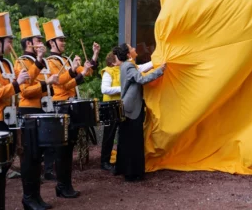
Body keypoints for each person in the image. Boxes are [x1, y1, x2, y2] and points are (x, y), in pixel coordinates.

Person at [0, 12, 42, 210]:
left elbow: (26, 80)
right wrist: (15, 84)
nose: (11, 45)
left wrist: (38, 63)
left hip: (8, 121)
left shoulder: (6, 63)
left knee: (3, 169)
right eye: (8, 41)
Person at [43, 19, 99, 198]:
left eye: (64, 40)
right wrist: (76, 73)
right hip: (60, 106)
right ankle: (62, 185)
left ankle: (65, 185)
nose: (64, 43)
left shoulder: (64, 60)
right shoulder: (50, 62)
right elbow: (60, 85)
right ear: (51, 42)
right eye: (60, 40)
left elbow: (87, 70)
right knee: (63, 149)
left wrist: (95, 55)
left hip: (70, 106)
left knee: (69, 148)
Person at [15, 16, 59, 209]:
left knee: (38, 157)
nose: (41, 43)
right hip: (28, 111)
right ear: (28, 43)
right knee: (30, 157)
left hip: (41, 109)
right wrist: (45, 84)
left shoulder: (39, 61)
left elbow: (45, 87)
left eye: (41, 40)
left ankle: (36, 196)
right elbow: (25, 91)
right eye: (38, 40)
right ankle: (28, 197)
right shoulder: (21, 62)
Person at [113, 43, 166, 181]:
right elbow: (141, 79)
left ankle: (127, 170)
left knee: (128, 140)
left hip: (129, 107)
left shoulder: (126, 66)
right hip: (131, 109)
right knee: (133, 141)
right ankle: (132, 173)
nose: (135, 49)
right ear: (129, 54)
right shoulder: (129, 66)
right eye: (132, 48)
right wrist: (161, 70)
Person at [100, 48, 154, 171]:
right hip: (111, 106)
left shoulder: (127, 67)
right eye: (117, 59)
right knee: (109, 134)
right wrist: (124, 87)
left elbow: (144, 67)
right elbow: (105, 89)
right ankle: (104, 161)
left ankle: (120, 161)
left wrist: (158, 60)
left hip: (123, 106)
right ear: (113, 62)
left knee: (122, 134)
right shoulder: (109, 72)